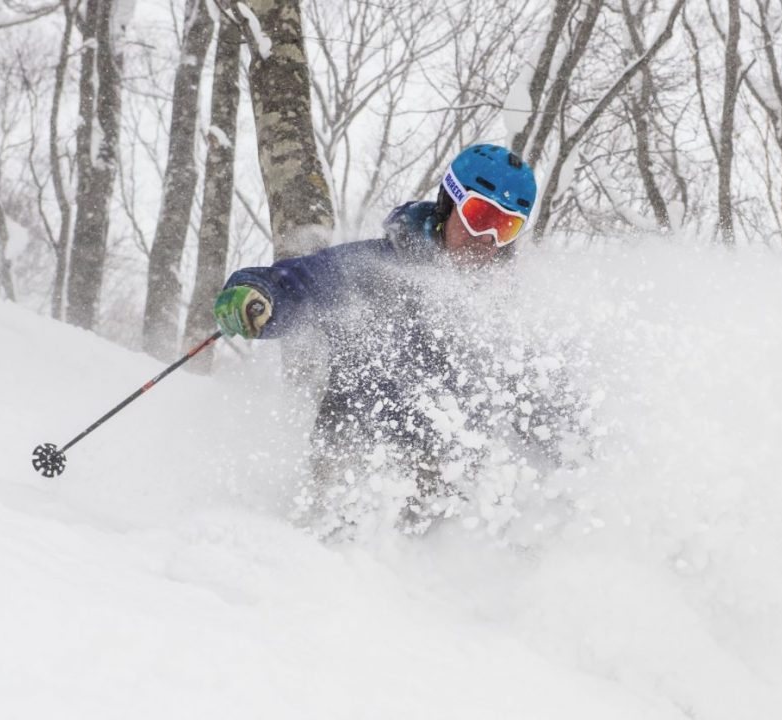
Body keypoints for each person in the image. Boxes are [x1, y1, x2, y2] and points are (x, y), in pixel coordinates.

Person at [213, 144, 545, 537]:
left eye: (505, 227)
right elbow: (299, 283)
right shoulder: (376, 268)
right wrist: (258, 292)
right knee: (341, 561)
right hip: (353, 459)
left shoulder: (507, 313)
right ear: (449, 201)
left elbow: (540, 396)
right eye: (480, 217)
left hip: (447, 484)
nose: (487, 238)